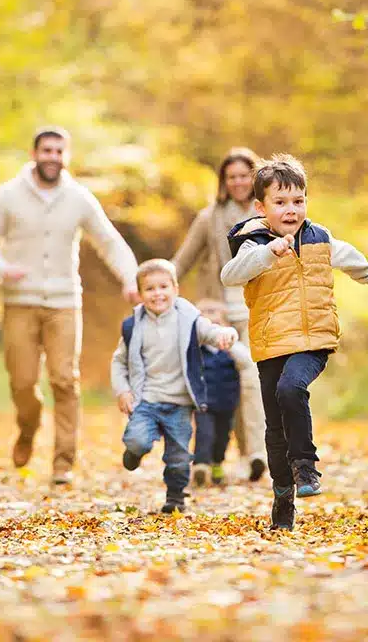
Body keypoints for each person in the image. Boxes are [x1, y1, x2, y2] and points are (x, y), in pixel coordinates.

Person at [221, 154, 368, 530]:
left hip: (313, 339)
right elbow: (230, 275)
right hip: (271, 344)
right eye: (280, 202)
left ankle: (306, 468)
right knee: (274, 427)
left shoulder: (319, 237)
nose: (291, 210)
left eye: (298, 201)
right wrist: (269, 253)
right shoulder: (253, 242)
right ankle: (283, 494)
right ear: (261, 207)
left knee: (291, 388)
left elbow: (349, 257)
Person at [0, 126, 140, 486]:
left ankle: (63, 462)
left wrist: (130, 279)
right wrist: (3, 269)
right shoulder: (8, 196)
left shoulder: (79, 198)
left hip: (65, 302)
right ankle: (28, 428)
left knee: (65, 380)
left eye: (59, 151)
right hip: (20, 302)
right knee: (22, 382)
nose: (52, 157)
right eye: (46, 150)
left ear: (67, 156)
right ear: (34, 154)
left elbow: (109, 242)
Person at [111, 259, 238, 514]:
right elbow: (119, 361)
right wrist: (123, 390)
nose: (158, 294)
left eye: (163, 287)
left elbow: (211, 331)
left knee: (179, 457)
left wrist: (227, 334)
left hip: (179, 403)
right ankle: (134, 452)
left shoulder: (189, 320)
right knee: (137, 441)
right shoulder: (133, 326)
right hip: (146, 400)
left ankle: (176, 497)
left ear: (175, 289)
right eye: (150, 289)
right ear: (140, 294)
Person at [172, 147, 267, 482]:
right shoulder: (209, 217)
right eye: (232, 177)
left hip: (257, 311)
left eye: (244, 175)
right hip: (218, 314)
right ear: (224, 182)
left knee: (253, 382)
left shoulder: (269, 215)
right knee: (219, 386)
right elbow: (182, 260)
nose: (239, 182)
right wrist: (157, 286)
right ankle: (214, 456)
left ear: (255, 178)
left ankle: (256, 454)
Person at [190, 299, 254, 487]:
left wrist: (230, 344)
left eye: (217, 322)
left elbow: (247, 361)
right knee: (205, 433)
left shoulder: (232, 352)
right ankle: (201, 465)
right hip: (203, 402)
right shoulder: (196, 350)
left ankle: (217, 463)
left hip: (227, 403)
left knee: (222, 436)